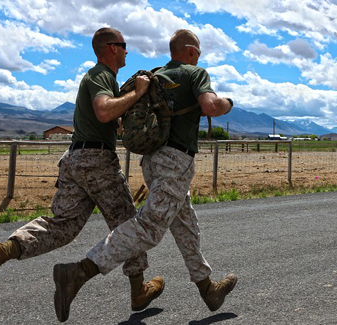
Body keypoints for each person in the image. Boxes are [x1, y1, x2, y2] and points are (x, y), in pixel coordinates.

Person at [0, 27, 163, 312]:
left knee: (62, 226)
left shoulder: (102, 79)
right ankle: (138, 290)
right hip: (95, 161)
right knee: (128, 224)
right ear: (111, 48)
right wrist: (138, 92)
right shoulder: (101, 75)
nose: (126, 50)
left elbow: (108, 118)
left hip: (75, 159)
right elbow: (104, 111)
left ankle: (0, 252)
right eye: (123, 45)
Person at [51, 29, 237, 322]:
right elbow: (210, 106)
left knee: (185, 222)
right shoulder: (195, 73)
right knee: (149, 227)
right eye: (198, 51)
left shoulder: (156, 75)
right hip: (175, 162)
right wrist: (227, 102)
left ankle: (207, 287)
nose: (200, 56)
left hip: (152, 161)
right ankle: (79, 270)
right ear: (189, 51)